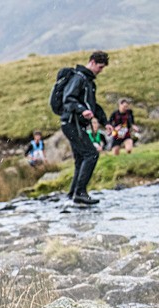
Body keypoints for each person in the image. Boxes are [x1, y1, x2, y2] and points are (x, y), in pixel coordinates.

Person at [60, 50, 113, 205]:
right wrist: (81, 109)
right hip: (71, 123)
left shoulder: (89, 82)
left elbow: (93, 106)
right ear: (92, 62)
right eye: (100, 67)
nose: (101, 71)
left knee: (81, 159)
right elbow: (68, 98)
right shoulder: (79, 78)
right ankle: (80, 192)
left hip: (75, 124)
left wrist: (106, 122)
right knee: (91, 154)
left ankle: (73, 193)